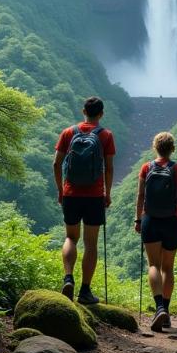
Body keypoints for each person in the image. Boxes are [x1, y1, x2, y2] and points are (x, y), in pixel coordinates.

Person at [53, 96, 115, 305]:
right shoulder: (106, 135)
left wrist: (61, 190)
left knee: (71, 238)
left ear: (83, 111)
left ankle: (68, 277)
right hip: (94, 196)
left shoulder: (68, 132)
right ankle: (85, 291)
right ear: (101, 114)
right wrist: (107, 193)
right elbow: (109, 167)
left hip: (71, 193)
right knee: (91, 243)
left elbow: (57, 163)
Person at [134, 131, 177, 332]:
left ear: (155, 148)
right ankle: (165, 312)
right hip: (172, 222)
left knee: (153, 265)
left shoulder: (146, 168)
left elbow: (141, 195)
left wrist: (138, 219)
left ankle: (159, 307)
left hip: (150, 219)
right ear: (172, 148)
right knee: (168, 267)